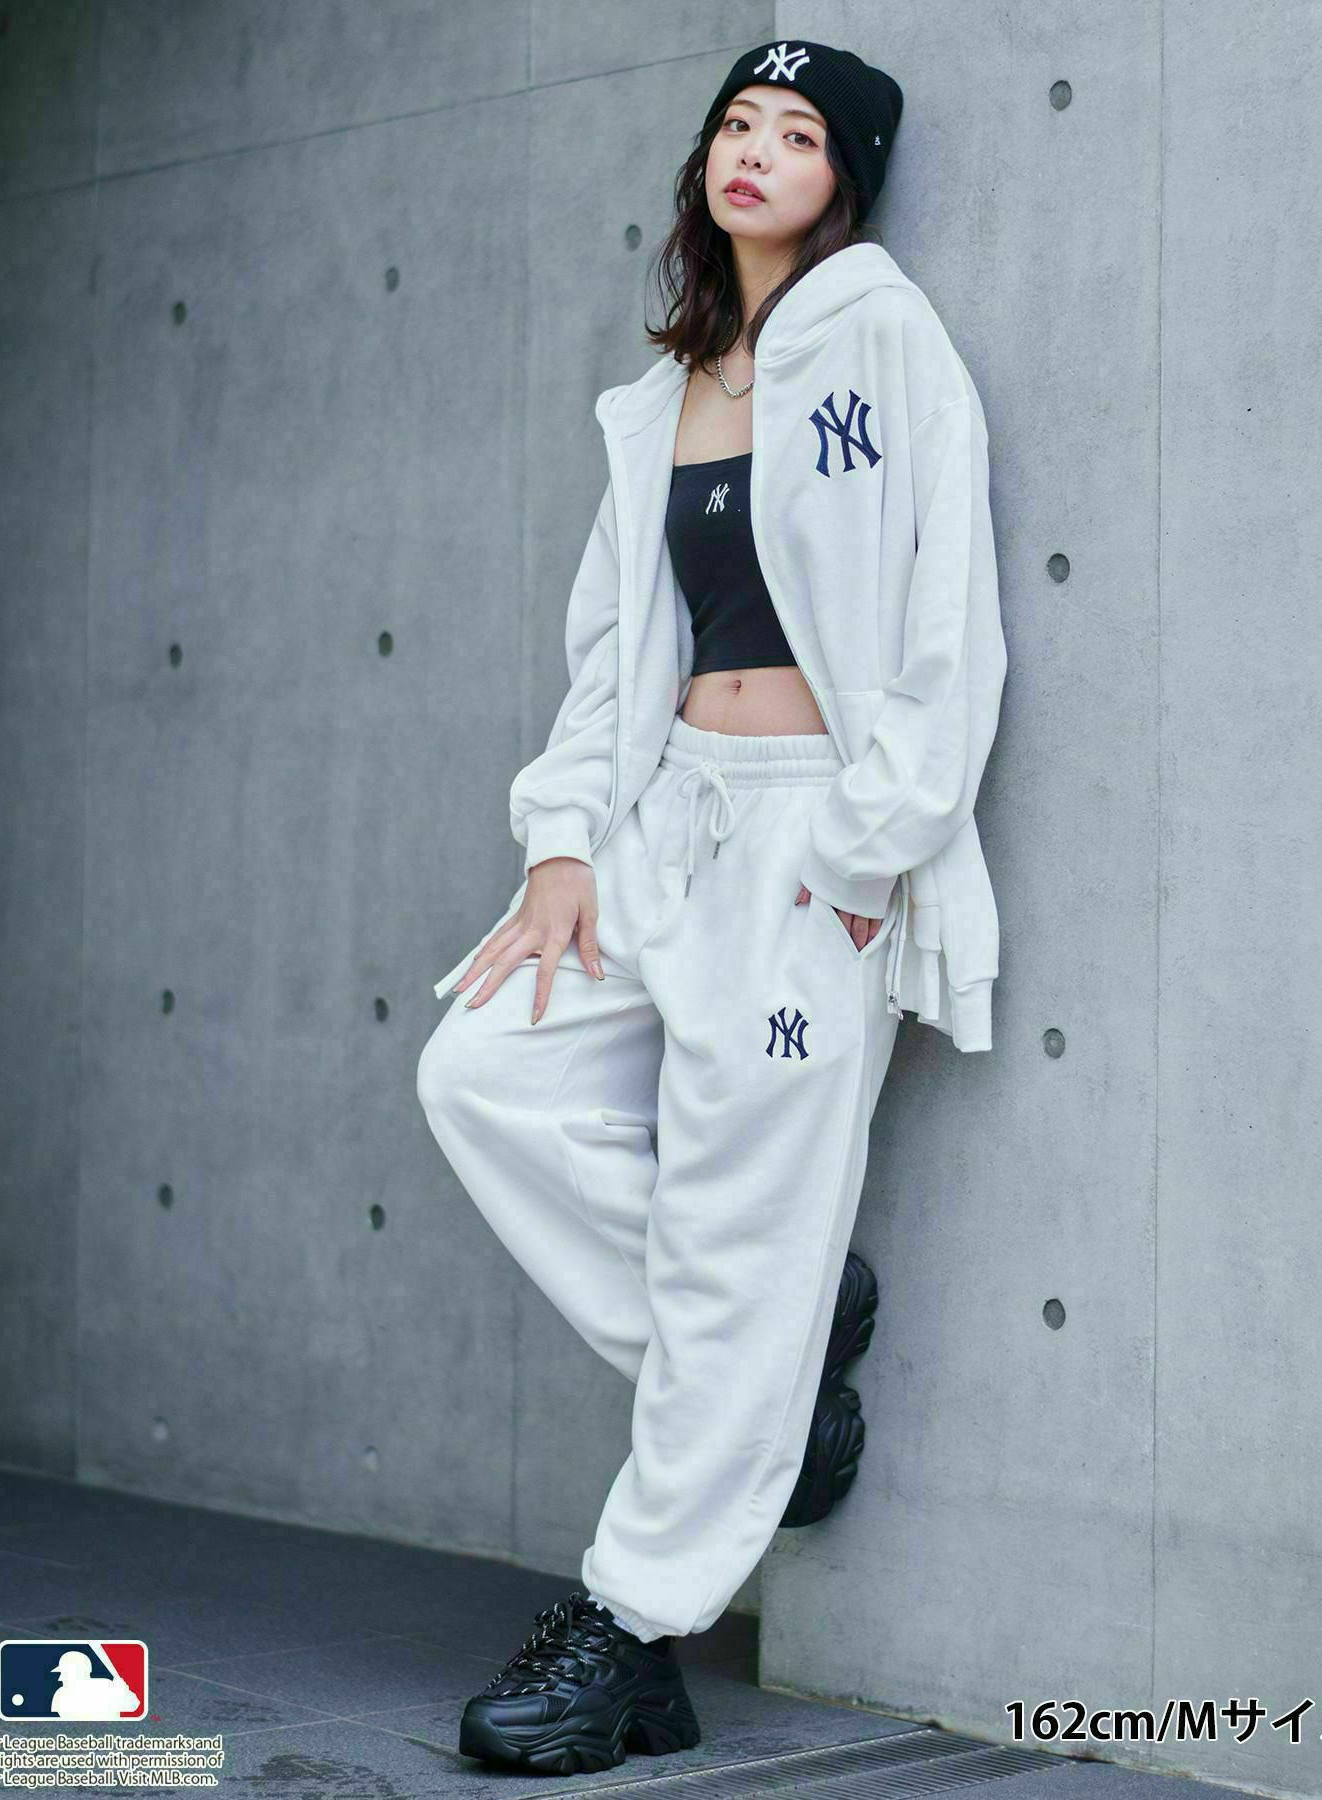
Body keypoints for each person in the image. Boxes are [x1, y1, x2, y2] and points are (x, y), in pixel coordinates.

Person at [417, 37, 1007, 1778]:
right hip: (665, 822)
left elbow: (949, 617)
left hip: (816, 843)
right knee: (481, 1076)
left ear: (844, 179)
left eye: (797, 132)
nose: (755, 150)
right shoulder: (657, 395)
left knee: (747, 1234)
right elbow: (610, 658)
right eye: (736, 123)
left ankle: (634, 1631)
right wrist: (561, 845)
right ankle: (787, 1350)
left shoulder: (888, 339)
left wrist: (868, 852)